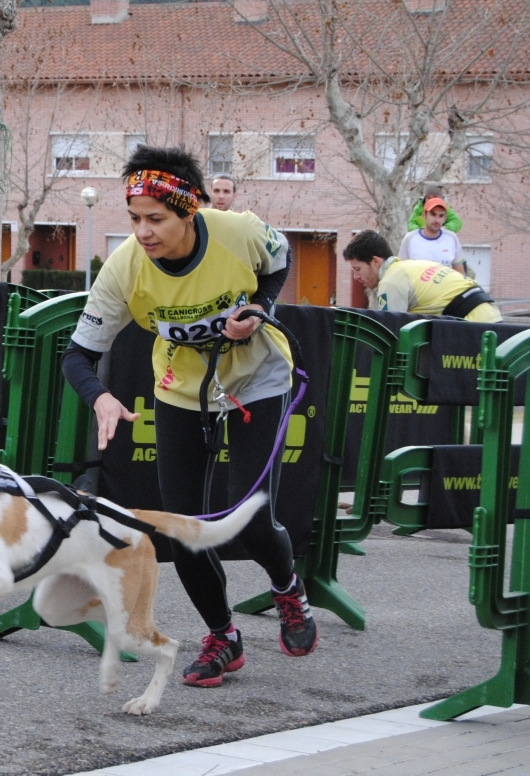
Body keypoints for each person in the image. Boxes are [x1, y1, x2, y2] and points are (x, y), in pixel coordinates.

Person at [60, 145, 317, 688]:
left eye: (156, 218)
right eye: (134, 219)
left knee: (247, 514)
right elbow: (78, 355)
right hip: (181, 391)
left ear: (190, 211)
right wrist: (100, 397)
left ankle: (288, 588)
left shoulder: (238, 231)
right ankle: (223, 636)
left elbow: (280, 258)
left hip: (257, 381)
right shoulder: (125, 267)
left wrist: (260, 309)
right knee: (184, 529)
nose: (143, 232)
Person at [343, 231, 501, 322]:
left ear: (376, 261)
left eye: (357, 268)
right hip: (490, 313)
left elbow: (390, 332)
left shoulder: (390, 282)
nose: (356, 276)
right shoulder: (411, 266)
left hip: (476, 321)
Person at [397, 197, 465, 274]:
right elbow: (401, 272)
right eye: (433, 214)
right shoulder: (410, 238)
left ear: (445, 218)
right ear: (424, 215)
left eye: (441, 216)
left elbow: (460, 274)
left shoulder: (452, 238)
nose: (437, 220)